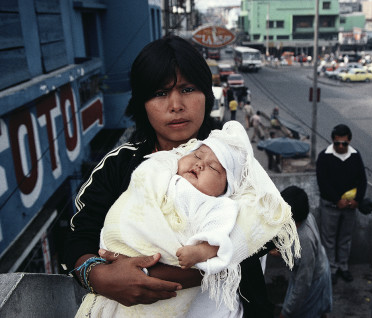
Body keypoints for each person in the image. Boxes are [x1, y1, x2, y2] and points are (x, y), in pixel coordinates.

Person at [63, 35, 286, 317]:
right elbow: (76, 239)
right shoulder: (118, 167)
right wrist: (99, 277)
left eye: (188, 88)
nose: (176, 105)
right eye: (159, 93)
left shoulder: (231, 157)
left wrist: (168, 273)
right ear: (141, 103)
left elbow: (266, 227)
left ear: (207, 93)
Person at [75, 121, 300, 317]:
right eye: (196, 156)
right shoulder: (149, 166)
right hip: (122, 253)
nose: (176, 105)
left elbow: (226, 231)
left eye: (213, 167)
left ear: (226, 188)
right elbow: (81, 235)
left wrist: (202, 251)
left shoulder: (219, 203)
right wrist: (99, 274)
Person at [316, 124, 367, 284]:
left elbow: (362, 180)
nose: (340, 146)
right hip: (331, 206)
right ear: (333, 140)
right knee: (329, 240)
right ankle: (331, 268)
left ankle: (343, 267)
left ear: (349, 141)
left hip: (350, 207)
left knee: (345, 238)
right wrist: (336, 200)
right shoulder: (324, 156)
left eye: (344, 143)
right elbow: (322, 182)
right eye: (337, 143)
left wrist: (357, 200)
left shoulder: (355, 156)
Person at [279, 186, 332, 318]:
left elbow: (303, 284)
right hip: (317, 266)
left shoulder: (304, 239)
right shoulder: (306, 216)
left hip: (313, 279)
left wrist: (286, 312)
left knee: (306, 310)